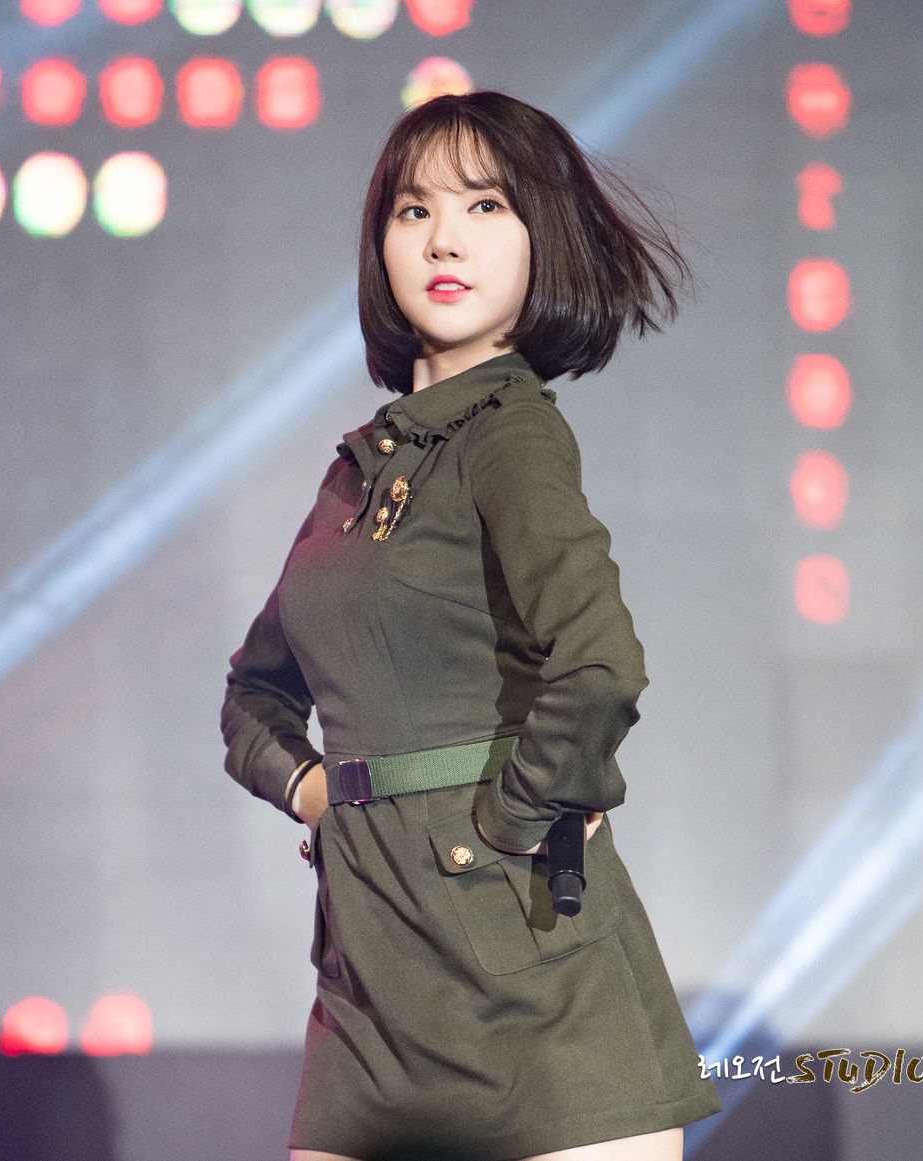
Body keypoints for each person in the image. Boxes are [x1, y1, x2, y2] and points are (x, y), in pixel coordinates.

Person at [221, 90, 721, 1161]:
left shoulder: (508, 435)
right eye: (414, 210)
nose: (443, 239)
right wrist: (315, 790)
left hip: (524, 974)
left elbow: (598, 666)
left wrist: (504, 828)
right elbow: (253, 693)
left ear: (543, 240)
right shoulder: (360, 470)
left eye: (485, 206)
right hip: (368, 984)